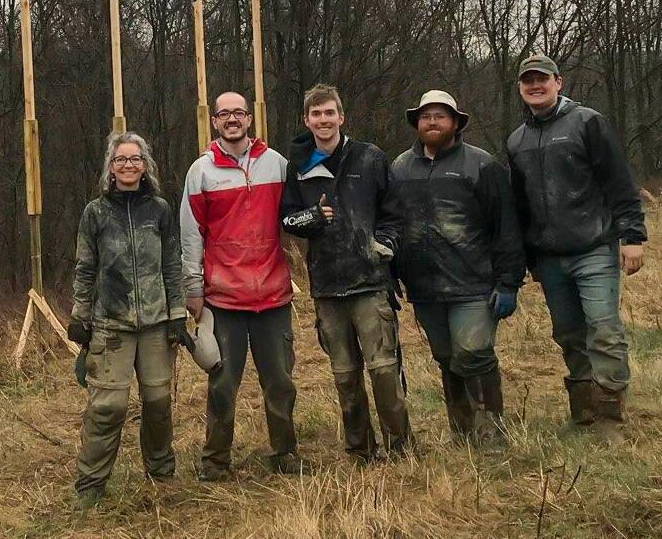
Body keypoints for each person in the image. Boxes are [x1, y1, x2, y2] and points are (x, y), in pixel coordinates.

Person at [506, 55, 647, 428]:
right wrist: (528, 259)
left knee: (603, 329)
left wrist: (632, 236)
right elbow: (520, 206)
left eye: (542, 79)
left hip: (594, 247)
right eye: (528, 81)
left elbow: (619, 182)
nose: (535, 86)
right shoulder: (517, 141)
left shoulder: (587, 122)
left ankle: (609, 417)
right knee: (569, 334)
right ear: (520, 89)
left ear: (559, 82)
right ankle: (582, 412)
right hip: (549, 257)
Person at [280, 84, 413, 462]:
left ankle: (401, 449)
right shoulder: (300, 167)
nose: (323, 120)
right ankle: (360, 451)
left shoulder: (369, 157)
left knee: (385, 370)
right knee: (345, 375)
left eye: (329, 113)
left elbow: (394, 211)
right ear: (307, 120)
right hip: (327, 286)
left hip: (371, 282)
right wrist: (313, 218)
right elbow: (288, 218)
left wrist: (384, 242)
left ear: (342, 116)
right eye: (316, 114)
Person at [179, 91, 304, 481]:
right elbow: (190, 234)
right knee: (221, 385)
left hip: (273, 295)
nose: (232, 120)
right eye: (224, 114)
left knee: (281, 383)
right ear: (214, 122)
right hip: (223, 299)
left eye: (239, 113)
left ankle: (285, 454)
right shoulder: (200, 172)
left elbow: (300, 207)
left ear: (250, 119)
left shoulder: (277, 164)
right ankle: (215, 462)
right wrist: (193, 287)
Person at [390, 90, 525, 446]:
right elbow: (390, 225)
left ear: (455, 123)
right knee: (447, 357)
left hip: (474, 284)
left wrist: (509, 282)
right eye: (425, 116)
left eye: (440, 116)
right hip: (425, 288)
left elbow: (506, 227)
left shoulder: (481, 165)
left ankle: (492, 432)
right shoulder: (400, 168)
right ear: (416, 123)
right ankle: (462, 432)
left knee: (474, 353)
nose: (432, 122)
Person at [66, 132, 190, 509]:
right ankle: (90, 485)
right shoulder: (96, 212)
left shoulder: (160, 210)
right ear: (111, 167)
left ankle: (161, 471)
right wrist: (80, 315)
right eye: (121, 159)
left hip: (155, 324)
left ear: (145, 165)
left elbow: (172, 264)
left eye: (135, 159)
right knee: (108, 407)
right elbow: (85, 268)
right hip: (110, 325)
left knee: (157, 403)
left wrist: (177, 314)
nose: (128, 165)